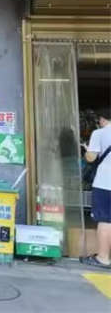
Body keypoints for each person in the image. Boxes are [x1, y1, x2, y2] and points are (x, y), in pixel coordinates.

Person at [82, 112, 111, 268]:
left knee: (105, 220)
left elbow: (91, 157)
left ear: (103, 119)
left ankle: (103, 258)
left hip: (106, 183)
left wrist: (87, 150)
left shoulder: (100, 133)